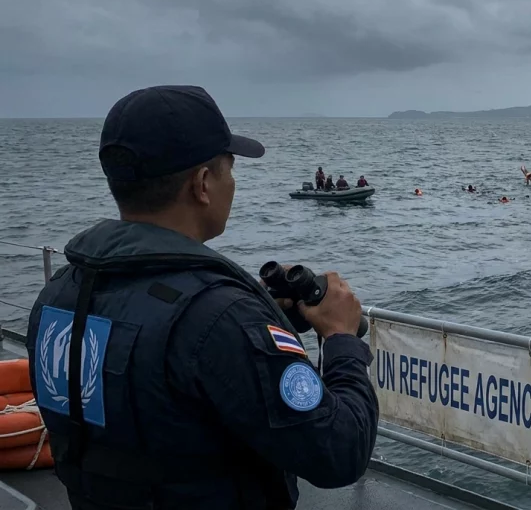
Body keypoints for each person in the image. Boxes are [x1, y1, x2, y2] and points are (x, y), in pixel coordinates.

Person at [26, 85, 379, 510]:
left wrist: (269, 314)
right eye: (230, 170)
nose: (233, 184)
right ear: (203, 184)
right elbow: (339, 453)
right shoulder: (219, 319)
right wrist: (341, 339)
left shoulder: (60, 292)